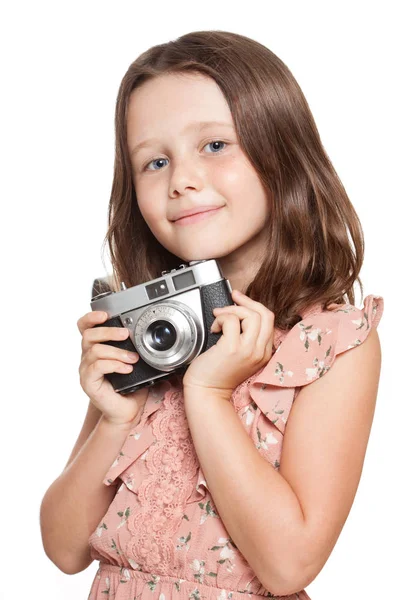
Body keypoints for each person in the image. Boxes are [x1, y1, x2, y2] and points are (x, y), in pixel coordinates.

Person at [40, 30, 384, 600]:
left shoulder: (330, 345)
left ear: (281, 148)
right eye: (154, 161)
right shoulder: (150, 331)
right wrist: (115, 419)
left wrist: (207, 393)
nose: (181, 180)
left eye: (215, 146)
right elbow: (63, 548)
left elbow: (289, 565)